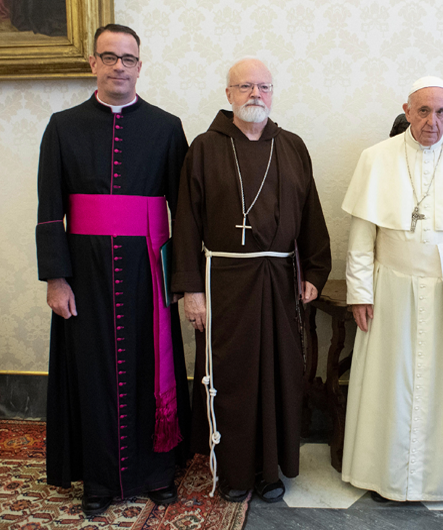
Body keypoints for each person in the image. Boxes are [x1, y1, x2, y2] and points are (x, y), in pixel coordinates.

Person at [35, 24, 191, 516]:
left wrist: (183, 281)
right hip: (85, 273)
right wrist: (56, 278)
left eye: (128, 58)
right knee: (93, 371)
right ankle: (99, 481)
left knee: (152, 365)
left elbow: (184, 211)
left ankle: (157, 472)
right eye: (109, 56)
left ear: (140, 66)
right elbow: (48, 209)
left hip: (149, 270)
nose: (119, 66)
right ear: (93, 64)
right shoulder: (62, 125)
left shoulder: (167, 126)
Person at [171, 57, 331, 503]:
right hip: (222, 281)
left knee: (279, 373)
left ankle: (270, 470)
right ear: (228, 95)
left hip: (280, 279)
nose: (254, 94)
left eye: (263, 86)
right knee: (233, 378)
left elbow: (311, 215)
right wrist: (190, 290)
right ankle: (236, 470)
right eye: (244, 87)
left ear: (273, 92)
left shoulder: (293, 146)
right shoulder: (204, 147)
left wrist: (315, 271)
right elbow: (184, 222)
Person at [341, 76, 443, 503]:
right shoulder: (375, 159)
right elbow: (361, 236)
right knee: (391, 384)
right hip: (392, 290)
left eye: (441, 111)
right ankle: (387, 477)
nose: (433, 121)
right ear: (408, 110)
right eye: (424, 111)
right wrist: (360, 291)